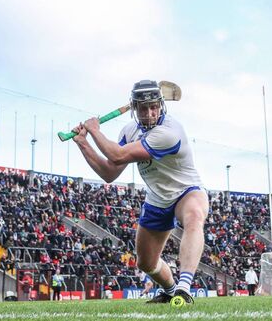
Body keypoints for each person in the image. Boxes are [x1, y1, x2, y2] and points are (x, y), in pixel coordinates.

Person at [72, 80, 208, 305]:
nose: (149, 112)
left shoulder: (169, 132)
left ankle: (184, 287)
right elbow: (109, 172)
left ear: (161, 106)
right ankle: (171, 290)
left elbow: (117, 155)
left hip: (187, 191)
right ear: (135, 109)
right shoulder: (129, 131)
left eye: (154, 106)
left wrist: (95, 130)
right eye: (144, 108)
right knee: (146, 263)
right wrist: (83, 143)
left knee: (194, 216)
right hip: (157, 198)